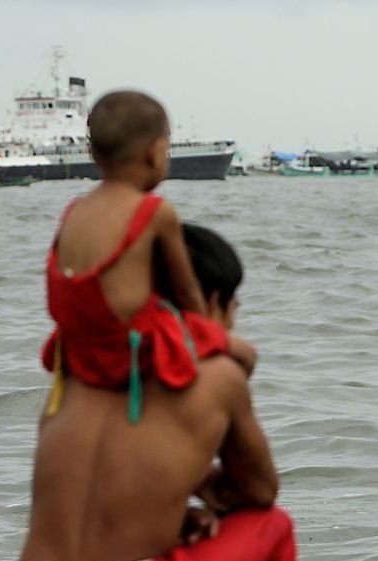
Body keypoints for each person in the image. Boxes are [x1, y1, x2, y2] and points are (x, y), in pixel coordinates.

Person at [0, 224, 297, 561]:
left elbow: (91, 477)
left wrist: (170, 512)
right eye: (234, 308)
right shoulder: (218, 375)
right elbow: (259, 491)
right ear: (211, 303)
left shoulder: (75, 367)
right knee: (272, 528)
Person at [39, 90, 249, 424]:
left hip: (77, 348)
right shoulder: (155, 212)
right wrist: (208, 336)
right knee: (246, 356)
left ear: (91, 152)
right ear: (155, 153)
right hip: (129, 346)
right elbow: (186, 291)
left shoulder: (73, 212)